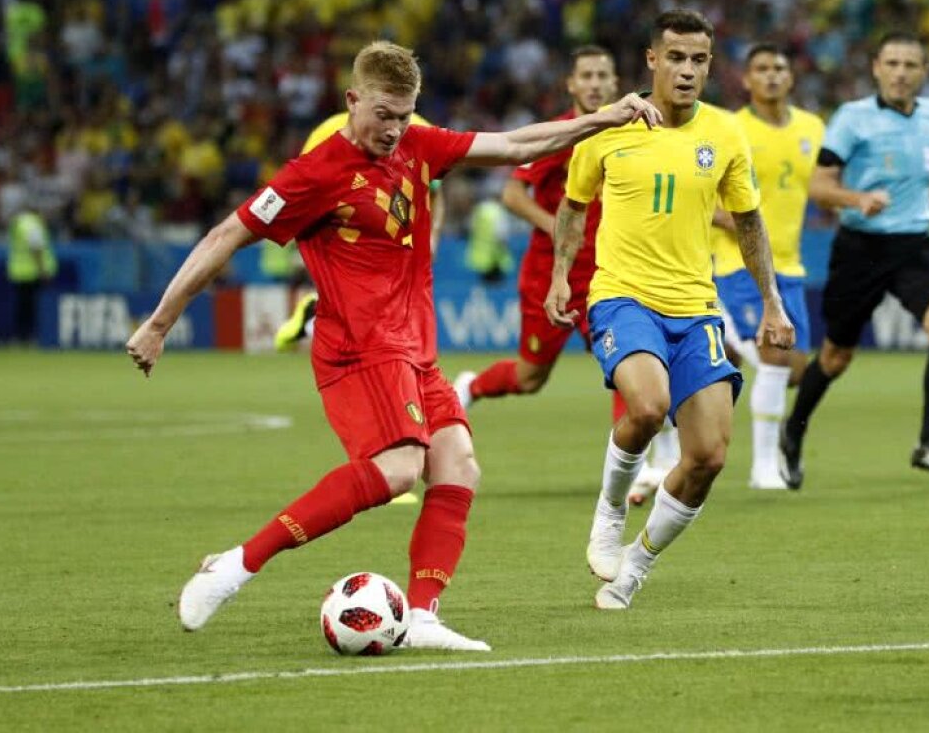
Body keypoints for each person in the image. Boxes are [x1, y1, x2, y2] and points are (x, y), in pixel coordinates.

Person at [126, 40, 661, 649]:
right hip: (359, 351)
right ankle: (236, 565)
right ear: (353, 100)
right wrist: (160, 322)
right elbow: (226, 235)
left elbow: (514, 144)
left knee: (458, 465)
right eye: (383, 113)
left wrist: (604, 117)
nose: (394, 128)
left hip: (414, 351)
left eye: (405, 114)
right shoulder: (315, 174)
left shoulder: (417, 146)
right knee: (400, 470)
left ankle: (424, 617)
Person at [545, 10, 794, 610]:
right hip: (622, 295)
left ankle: (637, 564)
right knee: (650, 406)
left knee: (708, 457)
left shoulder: (727, 135)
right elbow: (574, 207)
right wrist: (560, 278)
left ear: (711, 64)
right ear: (652, 59)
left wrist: (771, 304)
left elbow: (750, 224)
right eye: (676, 57)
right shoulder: (606, 129)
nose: (687, 70)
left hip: (696, 305)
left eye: (699, 60)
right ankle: (608, 512)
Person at [629, 43, 824, 498]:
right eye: (762, 69)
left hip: (789, 267)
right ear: (747, 79)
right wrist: (740, 222)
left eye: (780, 67)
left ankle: (670, 448)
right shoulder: (727, 128)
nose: (772, 76)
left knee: (783, 368)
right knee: (774, 361)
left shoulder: (813, 128)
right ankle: (764, 467)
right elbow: (707, 198)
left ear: (791, 78)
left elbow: (817, 184)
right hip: (733, 266)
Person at [780, 31, 929, 488]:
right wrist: (855, 198)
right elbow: (818, 186)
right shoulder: (851, 119)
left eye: (910, 65)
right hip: (860, 248)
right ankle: (792, 431)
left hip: (913, 246)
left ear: (923, 72)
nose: (901, 73)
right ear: (876, 69)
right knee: (837, 356)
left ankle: (928, 443)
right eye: (893, 64)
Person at [453, 46, 620, 412]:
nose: (594, 84)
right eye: (586, 76)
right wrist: (557, 227)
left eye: (602, 76)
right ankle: (472, 387)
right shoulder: (558, 135)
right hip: (551, 273)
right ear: (571, 85)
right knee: (531, 377)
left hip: (608, 273)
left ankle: (642, 463)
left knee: (626, 364)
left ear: (615, 83)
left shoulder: (628, 136)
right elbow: (512, 194)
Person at [273, 109, 443, 352]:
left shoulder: (422, 131)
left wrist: (432, 235)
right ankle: (316, 315)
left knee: (376, 320)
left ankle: (313, 316)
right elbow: (304, 192)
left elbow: (436, 191)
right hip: (346, 222)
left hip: (400, 223)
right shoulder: (327, 132)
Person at [5, 204, 57, 343]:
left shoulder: (19, 223)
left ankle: (19, 337)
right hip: (32, 272)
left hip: (18, 271)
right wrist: (43, 270)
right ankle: (32, 337)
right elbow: (36, 248)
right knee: (33, 308)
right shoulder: (33, 225)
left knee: (22, 307)